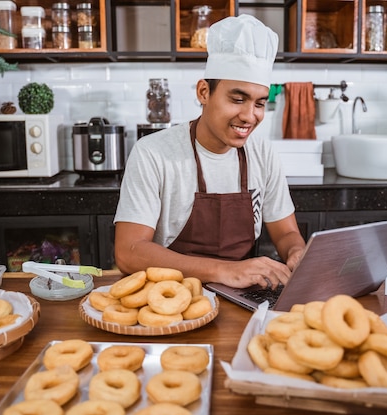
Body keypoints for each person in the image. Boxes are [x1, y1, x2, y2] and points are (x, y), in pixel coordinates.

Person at [114, 14, 306, 289]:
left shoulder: (262, 153)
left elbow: (286, 231)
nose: (249, 116)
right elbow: (128, 252)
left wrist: (296, 252)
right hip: (172, 299)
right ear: (204, 92)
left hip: (244, 296)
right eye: (237, 99)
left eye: (260, 104)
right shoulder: (153, 153)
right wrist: (225, 271)